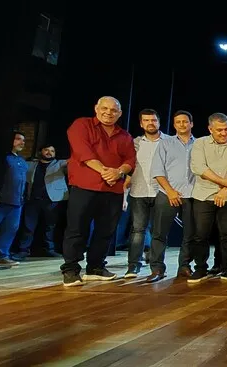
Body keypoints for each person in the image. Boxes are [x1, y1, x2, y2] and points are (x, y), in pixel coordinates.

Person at [61, 96, 136, 286]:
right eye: (104, 108)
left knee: (106, 231)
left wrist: (118, 172)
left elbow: (130, 161)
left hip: (114, 190)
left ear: (119, 114)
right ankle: (71, 269)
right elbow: (83, 152)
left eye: (113, 110)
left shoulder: (125, 135)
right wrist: (106, 171)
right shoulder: (81, 125)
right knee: (77, 228)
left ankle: (95, 267)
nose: (108, 113)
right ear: (96, 108)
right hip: (84, 186)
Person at [188, 113, 227, 283]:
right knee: (201, 235)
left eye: (226, 129)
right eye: (219, 130)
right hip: (203, 194)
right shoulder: (200, 143)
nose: (223, 133)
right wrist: (224, 184)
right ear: (210, 129)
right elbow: (200, 168)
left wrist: (224, 190)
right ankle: (200, 268)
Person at [148, 110, 196, 281]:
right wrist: (170, 191)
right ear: (174, 125)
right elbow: (157, 170)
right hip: (166, 194)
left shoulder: (199, 144)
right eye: (178, 122)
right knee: (159, 232)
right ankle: (157, 269)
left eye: (185, 121)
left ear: (191, 124)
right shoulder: (165, 144)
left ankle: (184, 266)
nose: (182, 125)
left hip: (191, 195)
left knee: (190, 233)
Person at [124, 109, 168, 278]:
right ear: (141, 123)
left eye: (154, 120)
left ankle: (157, 266)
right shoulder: (134, 143)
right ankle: (133, 266)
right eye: (147, 120)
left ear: (159, 122)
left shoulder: (169, 142)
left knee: (159, 231)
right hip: (139, 191)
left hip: (161, 191)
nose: (151, 123)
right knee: (137, 230)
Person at [13, 144, 67, 259]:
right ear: (40, 151)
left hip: (52, 200)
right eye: (46, 150)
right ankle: (23, 250)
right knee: (28, 227)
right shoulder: (32, 164)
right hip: (33, 200)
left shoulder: (60, 164)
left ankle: (49, 249)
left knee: (50, 226)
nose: (49, 153)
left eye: (52, 151)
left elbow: (72, 163)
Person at [0, 131, 28, 266]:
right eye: (18, 139)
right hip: (2, 200)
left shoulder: (21, 161)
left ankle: (2, 256)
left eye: (23, 140)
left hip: (17, 201)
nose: (21, 142)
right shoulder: (3, 158)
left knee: (10, 229)